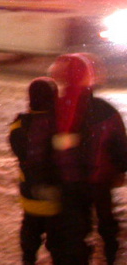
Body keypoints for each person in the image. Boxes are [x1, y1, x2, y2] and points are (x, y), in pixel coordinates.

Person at [48, 53, 127, 265]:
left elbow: (50, 143)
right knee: (106, 221)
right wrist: (120, 168)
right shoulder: (104, 109)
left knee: (76, 227)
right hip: (99, 177)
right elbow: (119, 143)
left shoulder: (56, 106)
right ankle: (110, 256)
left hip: (69, 180)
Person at [8, 77, 61, 265]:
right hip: (57, 199)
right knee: (57, 244)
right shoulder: (61, 125)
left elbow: (20, 152)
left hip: (30, 196)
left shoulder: (20, 126)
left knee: (30, 238)